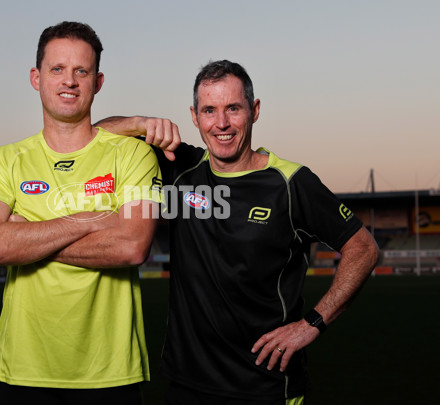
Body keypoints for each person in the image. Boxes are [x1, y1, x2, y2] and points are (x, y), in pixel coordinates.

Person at [98, 60, 379, 404]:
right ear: (194, 116)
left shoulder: (290, 183)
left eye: (233, 108)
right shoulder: (181, 169)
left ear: (254, 110)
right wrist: (140, 123)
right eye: (209, 110)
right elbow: (96, 136)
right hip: (186, 387)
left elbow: (363, 248)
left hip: (265, 388)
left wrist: (311, 324)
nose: (221, 123)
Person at [0, 21, 161, 405]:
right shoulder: (2, 161)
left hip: (111, 375)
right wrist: (92, 219)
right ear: (36, 77)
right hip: (22, 373)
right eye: (57, 69)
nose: (69, 81)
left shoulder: (134, 154)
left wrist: (28, 237)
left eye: (81, 71)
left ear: (98, 81)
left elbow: (131, 247)